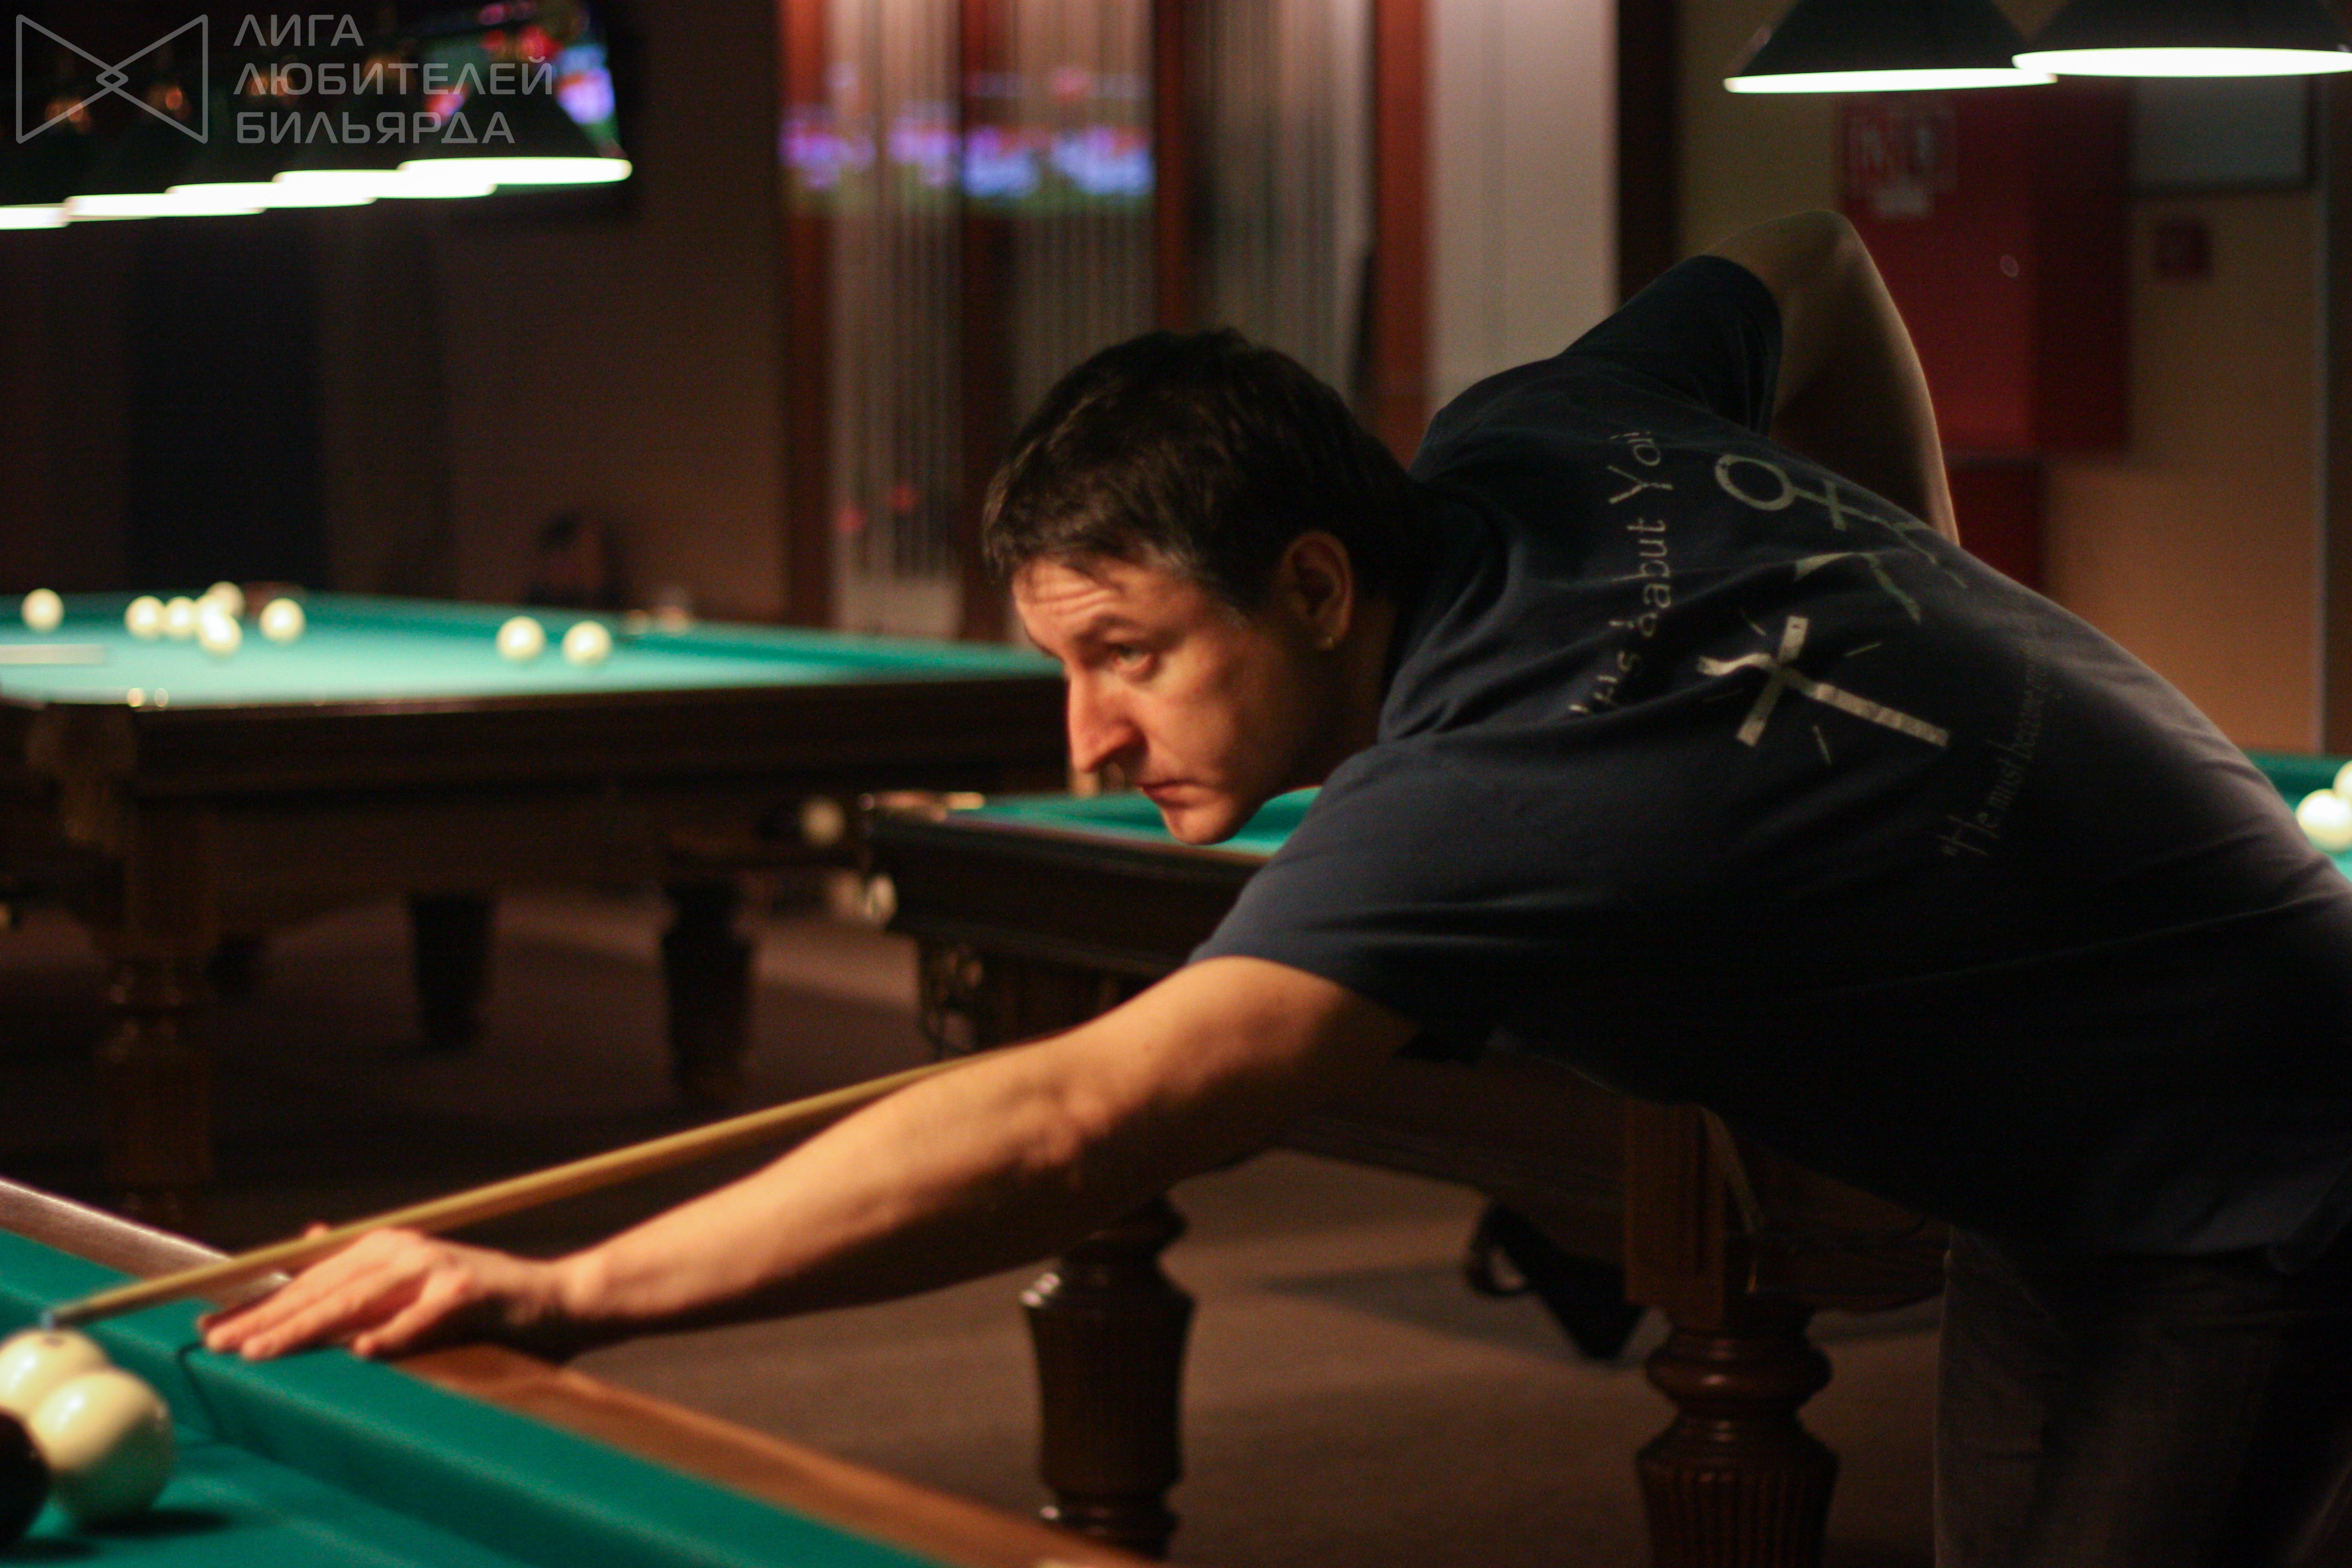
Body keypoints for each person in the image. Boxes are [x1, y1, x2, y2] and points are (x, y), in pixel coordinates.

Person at [204, 211, 2352, 1567]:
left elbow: (1074, 1123)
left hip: (2263, 1160)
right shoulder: (1537, 426)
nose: (1088, 740)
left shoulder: (1488, 791)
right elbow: (1809, 267)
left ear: (1318, 585)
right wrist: (1921, 594)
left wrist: (571, 1290)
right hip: (2074, 1152)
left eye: (1129, 657)